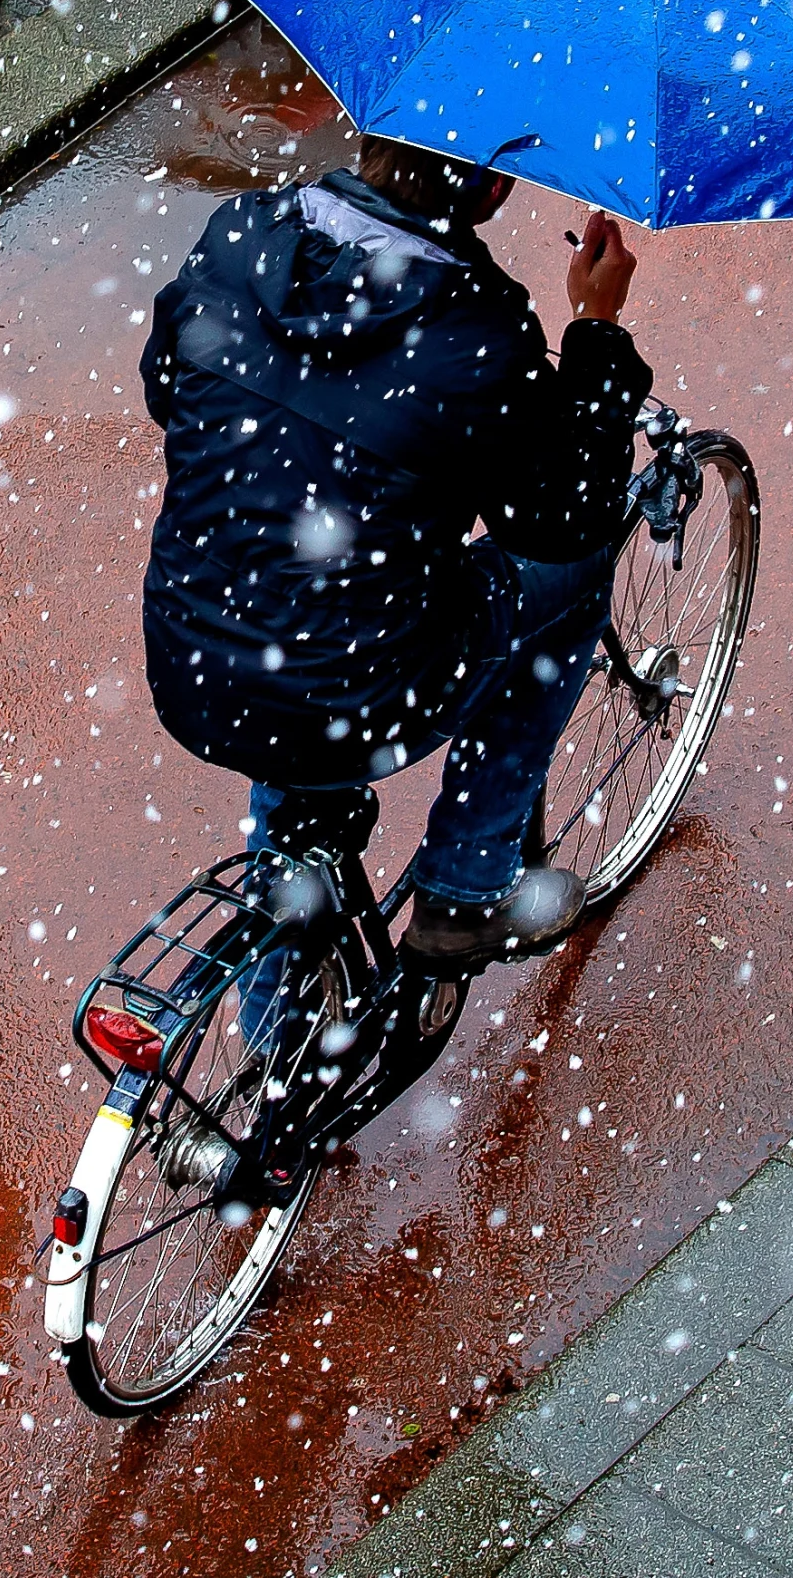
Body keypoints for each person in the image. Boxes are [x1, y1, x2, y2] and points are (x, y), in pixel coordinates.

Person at [138, 134, 650, 974]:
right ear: (487, 192)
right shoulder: (479, 329)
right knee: (570, 578)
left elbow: (169, 390)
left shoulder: (239, 236)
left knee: (302, 618)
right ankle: (467, 887)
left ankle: (281, 1011)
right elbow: (560, 522)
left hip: (195, 661)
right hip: (356, 688)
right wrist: (594, 332)